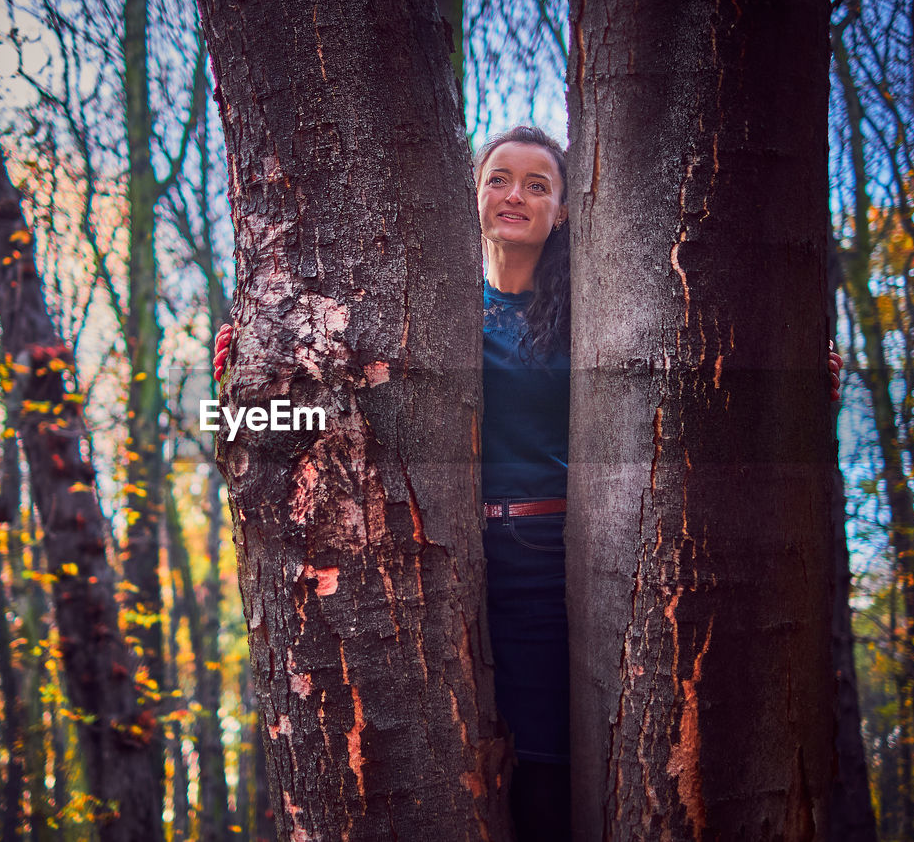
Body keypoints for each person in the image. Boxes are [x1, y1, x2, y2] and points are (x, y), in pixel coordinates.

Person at [211, 126, 843, 839]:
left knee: (549, 776)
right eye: (499, 178)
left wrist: (793, 388)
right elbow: (341, 409)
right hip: (449, 561)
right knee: (465, 769)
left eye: (537, 185)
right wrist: (253, 379)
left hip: (554, 559)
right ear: (474, 196)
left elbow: (684, 397)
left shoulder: (593, 320)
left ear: (564, 210)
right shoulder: (431, 320)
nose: (515, 194)